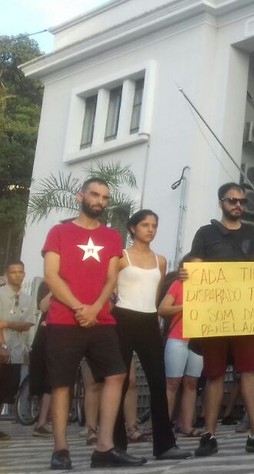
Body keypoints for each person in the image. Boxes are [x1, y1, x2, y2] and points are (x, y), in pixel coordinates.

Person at [41, 178, 144, 468]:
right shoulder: (59, 232)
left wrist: (95, 308)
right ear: (81, 196)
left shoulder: (112, 236)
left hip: (101, 319)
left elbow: (112, 278)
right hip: (64, 319)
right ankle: (60, 449)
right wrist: (78, 307)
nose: (99, 201)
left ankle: (104, 447)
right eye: (95, 195)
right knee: (62, 383)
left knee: (116, 375)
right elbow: (51, 274)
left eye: (105, 197)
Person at [186, 182, 254, 456]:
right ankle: (209, 435)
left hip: (245, 316)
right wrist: (187, 274)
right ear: (221, 203)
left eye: (242, 202)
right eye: (232, 200)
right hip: (215, 316)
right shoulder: (205, 233)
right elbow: (196, 267)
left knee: (249, 372)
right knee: (215, 374)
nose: (238, 205)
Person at [111, 210, 190, 460]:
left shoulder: (161, 261)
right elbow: (110, 290)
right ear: (132, 228)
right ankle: (116, 443)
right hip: (122, 318)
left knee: (158, 381)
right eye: (145, 225)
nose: (150, 229)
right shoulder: (120, 257)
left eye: (154, 225)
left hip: (148, 320)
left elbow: (156, 297)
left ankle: (165, 445)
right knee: (119, 383)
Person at [158, 270, 204, 439]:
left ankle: (186, 425)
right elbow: (162, 309)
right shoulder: (178, 285)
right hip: (178, 338)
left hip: (198, 340)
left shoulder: (208, 288)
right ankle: (164, 425)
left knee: (192, 383)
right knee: (172, 383)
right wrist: (185, 306)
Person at [0, 260, 36, 442]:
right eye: (13, 272)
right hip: (2, 347)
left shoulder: (28, 299)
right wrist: (2, 347)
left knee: (8, 388)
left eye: (20, 272)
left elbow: (27, 324)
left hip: (15, 351)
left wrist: (8, 323)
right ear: (7, 274)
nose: (17, 275)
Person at [29, 282, 54, 437]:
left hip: (64, 335)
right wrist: (54, 290)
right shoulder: (46, 285)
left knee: (53, 381)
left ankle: (45, 420)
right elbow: (43, 307)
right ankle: (42, 420)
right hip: (44, 337)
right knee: (44, 380)